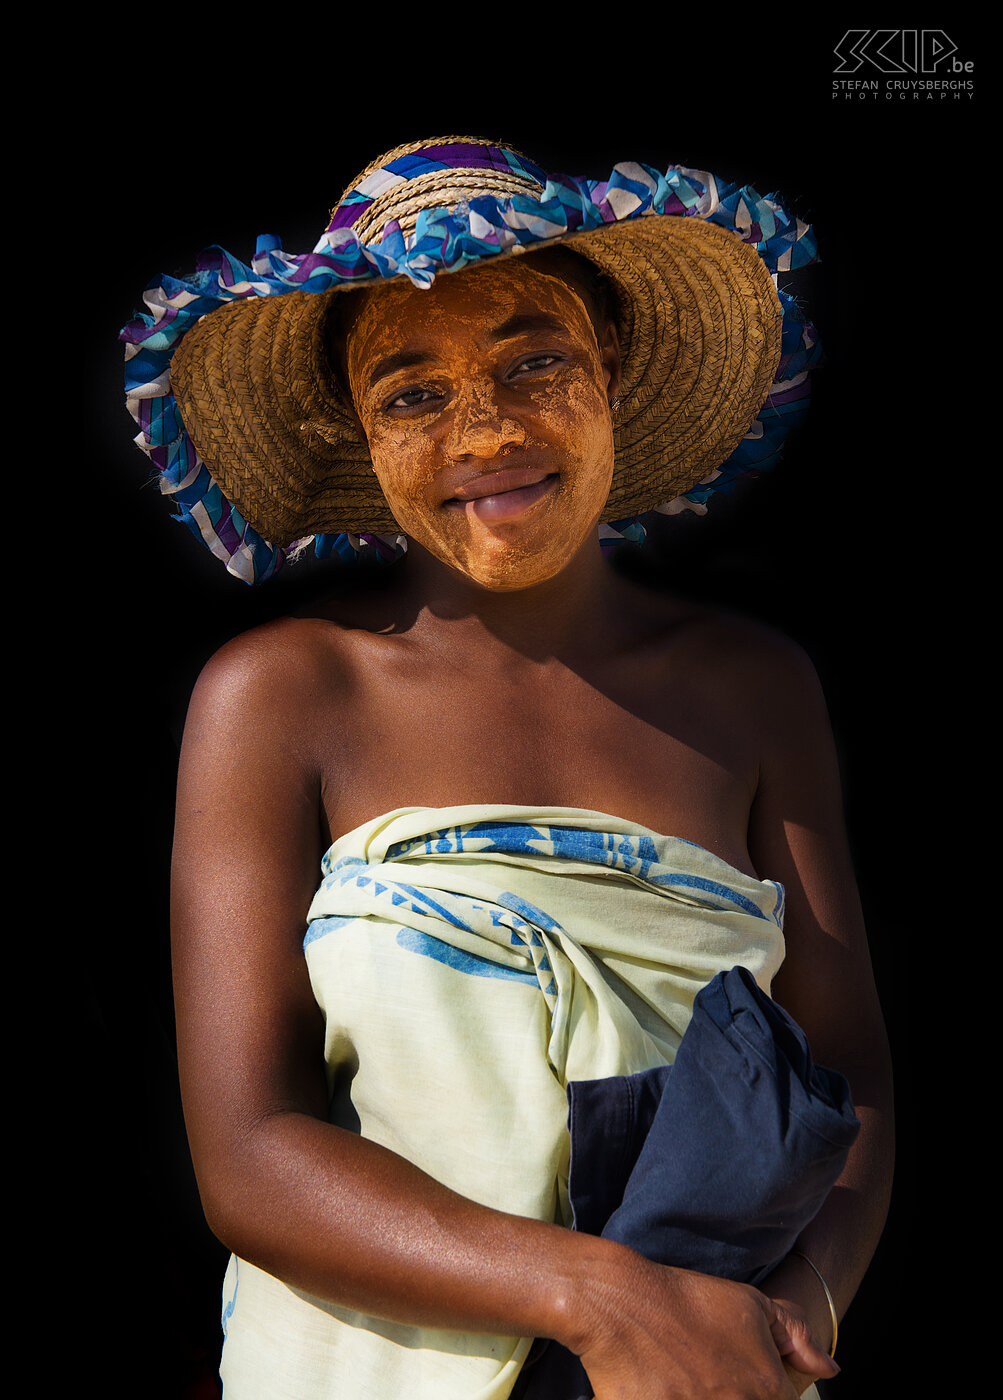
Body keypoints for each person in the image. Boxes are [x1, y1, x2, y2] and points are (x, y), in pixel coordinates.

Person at [122, 137, 894, 1399]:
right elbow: (252, 1148)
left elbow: (844, 1059)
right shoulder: (286, 696)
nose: (485, 430)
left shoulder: (749, 691)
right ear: (359, 436)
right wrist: (600, 1301)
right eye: (410, 392)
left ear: (615, 375)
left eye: (537, 360)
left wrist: (791, 1313)